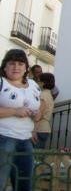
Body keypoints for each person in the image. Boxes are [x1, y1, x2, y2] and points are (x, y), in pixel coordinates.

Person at [0, 49, 41, 191]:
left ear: (26, 68)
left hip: (26, 140)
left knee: (24, 184)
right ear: (5, 67)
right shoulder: (1, 82)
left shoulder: (34, 85)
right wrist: (15, 111)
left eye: (20, 63)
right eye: (11, 63)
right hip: (3, 138)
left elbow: (39, 108)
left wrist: (36, 116)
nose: (16, 67)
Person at [33, 72, 56, 149]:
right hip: (44, 128)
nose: (37, 83)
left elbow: (38, 115)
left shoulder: (43, 95)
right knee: (38, 156)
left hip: (39, 129)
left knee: (35, 156)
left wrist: (33, 130)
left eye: (39, 81)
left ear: (43, 83)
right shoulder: (49, 94)